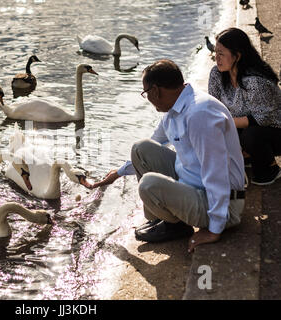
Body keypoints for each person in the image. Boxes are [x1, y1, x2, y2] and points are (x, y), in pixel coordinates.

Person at [82, 59, 246, 252]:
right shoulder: (177, 108)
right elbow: (153, 143)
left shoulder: (199, 114)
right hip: (195, 185)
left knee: (149, 184)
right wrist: (117, 173)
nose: (147, 99)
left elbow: (215, 172)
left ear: (155, 91)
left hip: (225, 205)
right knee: (140, 149)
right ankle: (168, 221)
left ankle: (176, 225)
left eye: (145, 93)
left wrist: (214, 229)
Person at [208, 27, 281, 185]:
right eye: (215, 52)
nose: (216, 58)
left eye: (221, 54)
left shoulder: (254, 80)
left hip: (274, 130)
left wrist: (226, 122)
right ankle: (248, 155)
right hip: (242, 125)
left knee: (251, 135)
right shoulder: (216, 74)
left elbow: (263, 119)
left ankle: (270, 169)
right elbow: (213, 106)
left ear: (237, 56)